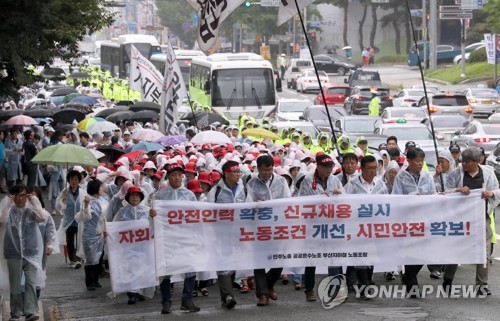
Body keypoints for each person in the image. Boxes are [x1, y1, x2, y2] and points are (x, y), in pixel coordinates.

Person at [442, 147, 500, 296]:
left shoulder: (487, 173)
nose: (464, 164)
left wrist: (490, 193)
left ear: (477, 161)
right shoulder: (456, 174)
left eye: (468, 162)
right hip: (461, 219)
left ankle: (482, 284)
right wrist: (458, 190)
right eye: (463, 161)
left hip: (481, 218)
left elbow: (497, 190)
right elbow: (445, 192)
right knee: (456, 249)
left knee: (484, 251)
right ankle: (448, 279)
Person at [150, 163, 200, 314]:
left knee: (190, 268)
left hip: (185, 238)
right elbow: (153, 220)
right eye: (173, 175)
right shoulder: (160, 196)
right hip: (167, 239)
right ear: (168, 177)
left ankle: (187, 299)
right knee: (165, 269)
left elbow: (196, 216)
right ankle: (166, 302)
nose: (177, 177)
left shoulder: (189, 195)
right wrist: (151, 215)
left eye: (180, 174)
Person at [298, 153, 345, 301]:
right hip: (314, 224)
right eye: (325, 166)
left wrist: (340, 194)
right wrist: (319, 199)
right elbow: (302, 200)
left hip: (332, 224)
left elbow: (345, 200)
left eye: (330, 166)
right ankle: (309, 290)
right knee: (312, 257)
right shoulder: (307, 180)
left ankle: (335, 289)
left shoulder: (335, 179)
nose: (328, 169)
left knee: (334, 256)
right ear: (317, 166)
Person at [246, 155, 291, 306]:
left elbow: (287, 200)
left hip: (277, 225)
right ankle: (262, 294)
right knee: (259, 260)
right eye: (264, 170)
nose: (267, 173)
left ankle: (269, 284)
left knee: (279, 258)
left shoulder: (281, 181)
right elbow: (248, 203)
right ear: (258, 168)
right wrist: (256, 205)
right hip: (258, 226)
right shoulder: (251, 182)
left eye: (270, 170)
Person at [391, 148, 436, 298]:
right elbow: (395, 198)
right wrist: (410, 197)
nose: (420, 163)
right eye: (417, 161)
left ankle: (407, 277)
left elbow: (433, 195)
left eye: (422, 160)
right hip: (407, 221)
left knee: (425, 254)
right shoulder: (401, 177)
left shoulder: (427, 176)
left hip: (424, 220)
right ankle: (412, 287)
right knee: (410, 253)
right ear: (408, 161)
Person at [0, 184, 48, 321]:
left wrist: (34, 201)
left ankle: (31, 311)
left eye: (23, 195)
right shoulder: (9, 210)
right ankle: (15, 313)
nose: (21, 199)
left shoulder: (31, 210)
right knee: (15, 284)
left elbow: (42, 217)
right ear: (13, 196)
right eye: (18, 195)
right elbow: (2, 220)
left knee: (30, 282)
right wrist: (9, 202)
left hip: (31, 251)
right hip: (13, 253)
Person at [345, 155, 388, 298]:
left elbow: (388, 203)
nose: (372, 171)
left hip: (375, 226)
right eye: (369, 168)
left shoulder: (380, 184)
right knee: (360, 256)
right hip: (358, 227)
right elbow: (344, 204)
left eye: (374, 168)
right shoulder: (352, 184)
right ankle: (364, 287)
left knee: (372, 255)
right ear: (361, 169)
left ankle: (368, 279)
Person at [206, 160, 247, 309]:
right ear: (226, 173)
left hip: (239, 233)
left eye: (239, 172)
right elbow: (208, 211)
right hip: (221, 234)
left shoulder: (244, 189)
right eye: (234, 172)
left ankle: (226, 296)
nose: (237, 174)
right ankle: (228, 295)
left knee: (233, 262)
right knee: (223, 263)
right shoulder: (215, 191)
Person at [113, 185, 153, 305]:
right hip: (128, 247)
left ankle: (139, 291)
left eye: (137, 195)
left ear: (141, 197)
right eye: (132, 195)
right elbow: (115, 227)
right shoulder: (122, 212)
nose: (135, 198)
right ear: (128, 197)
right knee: (130, 269)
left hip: (143, 246)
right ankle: (132, 293)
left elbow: (154, 226)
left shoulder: (147, 211)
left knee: (142, 268)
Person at [76, 179, 108, 291]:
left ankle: (95, 280)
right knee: (90, 259)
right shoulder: (89, 201)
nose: (102, 189)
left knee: (98, 258)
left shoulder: (102, 200)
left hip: (100, 234)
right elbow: (86, 216)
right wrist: (86, 205)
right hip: (90, 235)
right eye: (101, 187)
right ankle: (90, 282)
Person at [56, 170, 86, 269]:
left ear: (79, 180)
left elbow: (86, 206)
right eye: (71, 179)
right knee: (70, 241)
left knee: (79, 240)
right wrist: (63, 200)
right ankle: (73, 259)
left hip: (79, 221)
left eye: (76, 179)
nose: (73, 181)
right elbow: (58, 207)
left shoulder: (82, 192)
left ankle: (78, 257)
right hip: (68, 221)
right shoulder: (64, 192)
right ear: (68, 180)